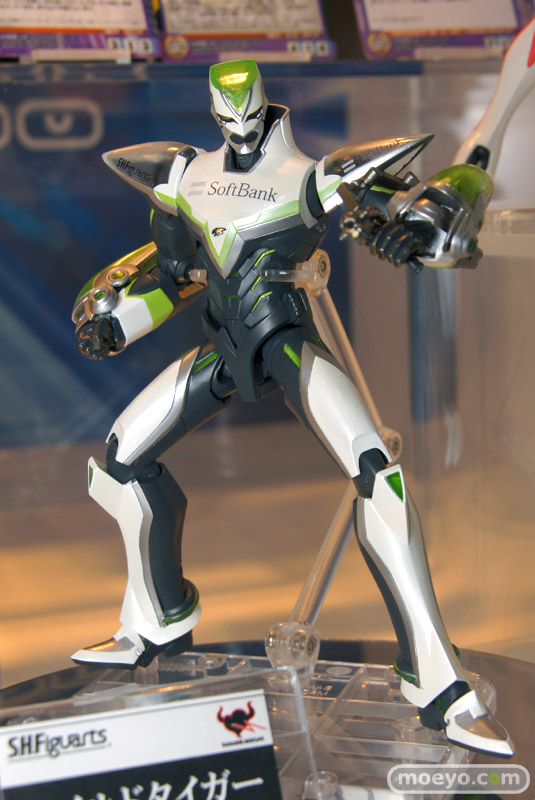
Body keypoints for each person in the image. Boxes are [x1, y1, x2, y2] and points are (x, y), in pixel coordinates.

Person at [72, 60, 511, 756]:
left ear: (263, 104)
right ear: (214, 109)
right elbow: (176, 273)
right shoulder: (184, 175)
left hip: (287, 345)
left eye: (247, 111)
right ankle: (155, 620)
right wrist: (119, 319)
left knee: (378, 476)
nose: (240, 125)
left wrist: (432, 222)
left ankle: (438, 685)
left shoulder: (311, 177)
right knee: (123, 459)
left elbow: (437, 198)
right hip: (224, 350)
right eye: (228, 113)